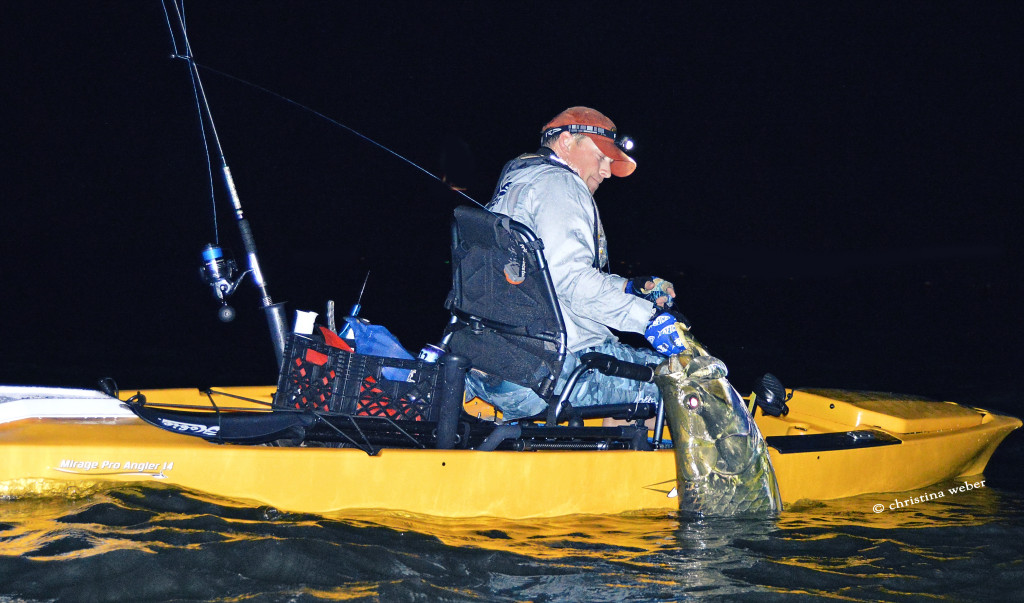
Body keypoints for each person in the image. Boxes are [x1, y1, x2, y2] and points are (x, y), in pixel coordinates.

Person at [464, 106, 690, 420]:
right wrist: (649, 319)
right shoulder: (561, 184)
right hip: (547, 370)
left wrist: (628, 287)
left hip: (491, 365)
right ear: (568, 142)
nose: (608, 171)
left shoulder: (516, 182)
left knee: (626, 378)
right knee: (681, 384)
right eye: (602, 157)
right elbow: (572, 282)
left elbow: (551, 275)